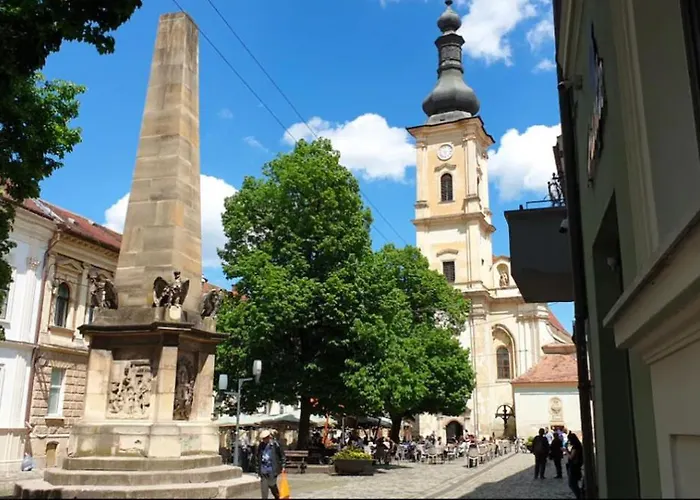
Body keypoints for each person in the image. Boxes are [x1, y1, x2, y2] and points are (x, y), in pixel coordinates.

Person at [256, 430, 286, 500]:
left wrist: (283, 466)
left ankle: (277, 496)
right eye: (263, 438)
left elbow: (282, 455)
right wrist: (257, 469)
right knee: (264, 490)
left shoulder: (275, 445)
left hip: (272, 469)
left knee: (272, 485)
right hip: (263, 469)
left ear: (269, 437)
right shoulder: (261, 445)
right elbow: (258, 457)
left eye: (265, 438)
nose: (264, 440)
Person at [567, 433, 584, 499]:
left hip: (574, 467)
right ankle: (579, 495)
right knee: (574, 483)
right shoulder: (578, 445)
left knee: (572, 484)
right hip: (576, 466)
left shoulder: (576, 447)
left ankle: (579, 496)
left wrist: (566, 451)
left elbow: (571, 457)